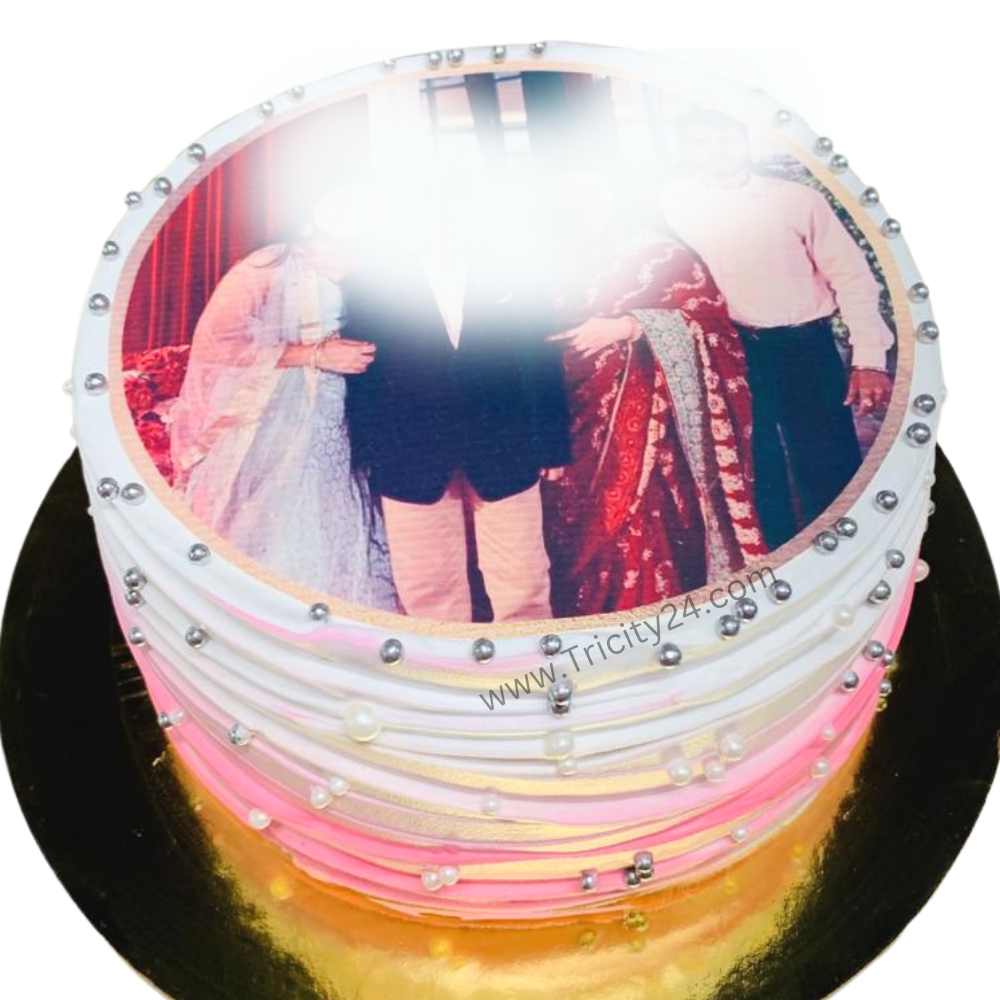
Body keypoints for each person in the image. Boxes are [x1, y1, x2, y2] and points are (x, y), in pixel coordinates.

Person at [661, 108, 896, 550]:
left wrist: (869, 359)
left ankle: (851, 555)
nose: (715, 151)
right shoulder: (672, 206)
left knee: (828, 464)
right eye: (701, 142)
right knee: (755, 468)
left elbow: (852, 278)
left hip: (803, 346)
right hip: (729, 352)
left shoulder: (796, 200)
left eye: (726, 139)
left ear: (745, 141)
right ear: (686, 148)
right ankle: (779, 565)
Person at [341, 174, 571, 623]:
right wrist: (370, 451)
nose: (445, 224)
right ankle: (445, 666)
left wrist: (553, 443)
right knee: (427, 588)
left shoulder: (514, 274)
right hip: (410, 454)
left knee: (522, 579)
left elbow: (540, 362)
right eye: (432, 215)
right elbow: (366, 376)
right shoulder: (371, 285)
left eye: (457, 214)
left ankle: (527, 661)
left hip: (506, 446)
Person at [543, 170, 767, 618]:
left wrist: (632, 327)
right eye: (567, 186)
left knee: (642, 511)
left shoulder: (660, 253)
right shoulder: (537, 257)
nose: (581, 196)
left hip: (646, 411)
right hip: (561, 411)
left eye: (592, 184)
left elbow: (711, 321)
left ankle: (657, 615)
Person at [169, 225, 398, 610]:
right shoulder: (271, 262)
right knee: (276, 515)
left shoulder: (377, 259)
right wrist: (316, 354)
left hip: (346, 411)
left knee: (337, 506)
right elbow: (221, 341)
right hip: (278, 411)